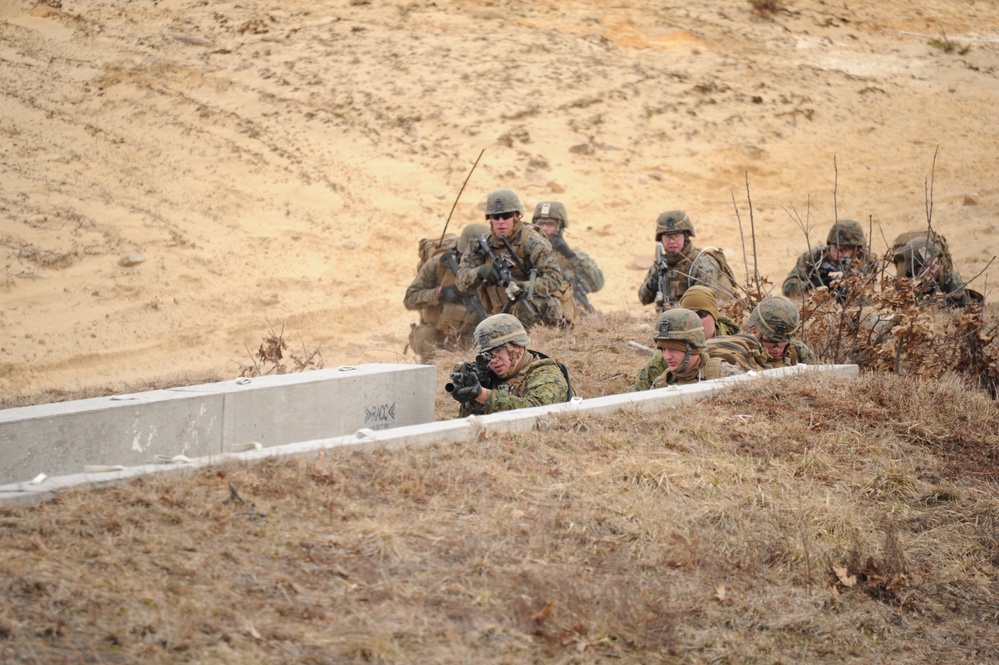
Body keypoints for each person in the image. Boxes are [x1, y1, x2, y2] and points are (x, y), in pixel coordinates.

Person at [456, 189, 574, 327]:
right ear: (490, 219)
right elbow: (461, 282)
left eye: (506, 216)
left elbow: (554, 280)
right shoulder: (481, 244)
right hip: (500, 312)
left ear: (517, 216)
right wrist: (480, 272)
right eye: (496, 217)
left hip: (539, 311)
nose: (501, 222)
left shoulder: (534, 242)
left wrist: (522, 287)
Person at [447, 313, 572, 416]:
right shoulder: (490, 377)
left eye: (499, 350)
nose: (493, 360)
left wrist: (482, 395)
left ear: (518, 346)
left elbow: (538, 412)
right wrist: (471, 400)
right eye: (486, 355)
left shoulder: (547, 373)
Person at [404, 223, 490, 361]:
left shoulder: (488, 270)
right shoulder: (438, 264)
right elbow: (410, 299)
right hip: (436, 342)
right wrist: (441, 293)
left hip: (467, 344)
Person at [638, 210, 738, 312]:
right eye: (667, 237)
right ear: (661, 239)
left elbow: (703, 305)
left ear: (686, 236)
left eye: (676, 236)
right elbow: (643, 298)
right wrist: (655, 278)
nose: (672, 241)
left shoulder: (702, 263)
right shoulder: (662, 263)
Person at [634, 308, 744, 391]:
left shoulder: (724, 374)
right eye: (663, 349)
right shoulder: (660, 384)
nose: (667, 356)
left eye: (674, 349)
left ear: (693, 347)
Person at [532, 201, 605, 316]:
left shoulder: (573, 257)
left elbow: (597, 284)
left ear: (560, 228)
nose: (545, 229)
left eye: (550, 224)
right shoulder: (525, 254)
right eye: (541, 224)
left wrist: (570, 255)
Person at [782, 219, 869, 300]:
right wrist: (812, 286)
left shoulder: (866, 262)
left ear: (857, 250)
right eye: (835, 246)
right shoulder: (814, 257)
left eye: (845, 249)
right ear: (829, 244)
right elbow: (787, 288)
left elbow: (868, 299)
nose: (838, 252)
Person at [895, 234, 974, 307]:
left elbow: (961, 305)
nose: (932, 272)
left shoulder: (950, 278)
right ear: (914, 270)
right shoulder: (907, 286)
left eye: (934, 265)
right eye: (925, 268)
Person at [744, 296, 818, 368]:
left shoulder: (798, 351)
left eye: (783, 339)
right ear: (755, 331)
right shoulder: (742, 354)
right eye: (770, 340)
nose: (777, 348)